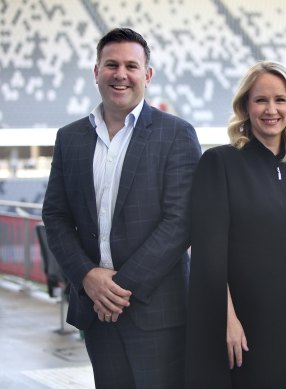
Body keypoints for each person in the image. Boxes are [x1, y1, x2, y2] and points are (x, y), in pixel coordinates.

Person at [42, 28, 201, 388]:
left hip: (157, 312)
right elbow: (56, 216)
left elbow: (180, 221)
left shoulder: (176, 134)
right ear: (95, 71)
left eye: (131, 65)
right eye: (111, 64)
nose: (120, 74)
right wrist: (88, 277)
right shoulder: (70, 138)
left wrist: (116, 289)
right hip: (96, 312)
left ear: (147, 75)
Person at [184, 60, 286, 389]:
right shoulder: (219, 163)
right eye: (261, 100)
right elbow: (208, 254)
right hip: (254, 321)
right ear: (245, 106)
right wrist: (227, 319)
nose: (271, 109)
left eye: (280, 100)